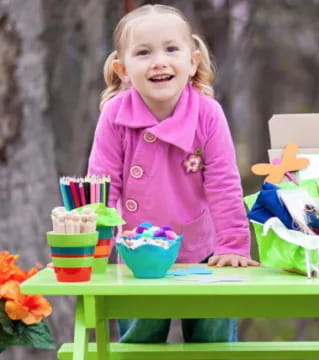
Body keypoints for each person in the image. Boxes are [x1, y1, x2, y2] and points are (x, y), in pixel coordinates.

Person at [88, 4, 259, 343]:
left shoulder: (208, 114)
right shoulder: (114, 116)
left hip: (205, 252)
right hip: (138, 255)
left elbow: (223, 183)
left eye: (171, 49)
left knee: (214, 342)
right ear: (123, 69)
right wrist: (94, 253)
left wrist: (234, 246)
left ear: (192, 60)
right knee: (140, 342)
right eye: (143, 52)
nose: (159, 61)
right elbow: (103, 189)